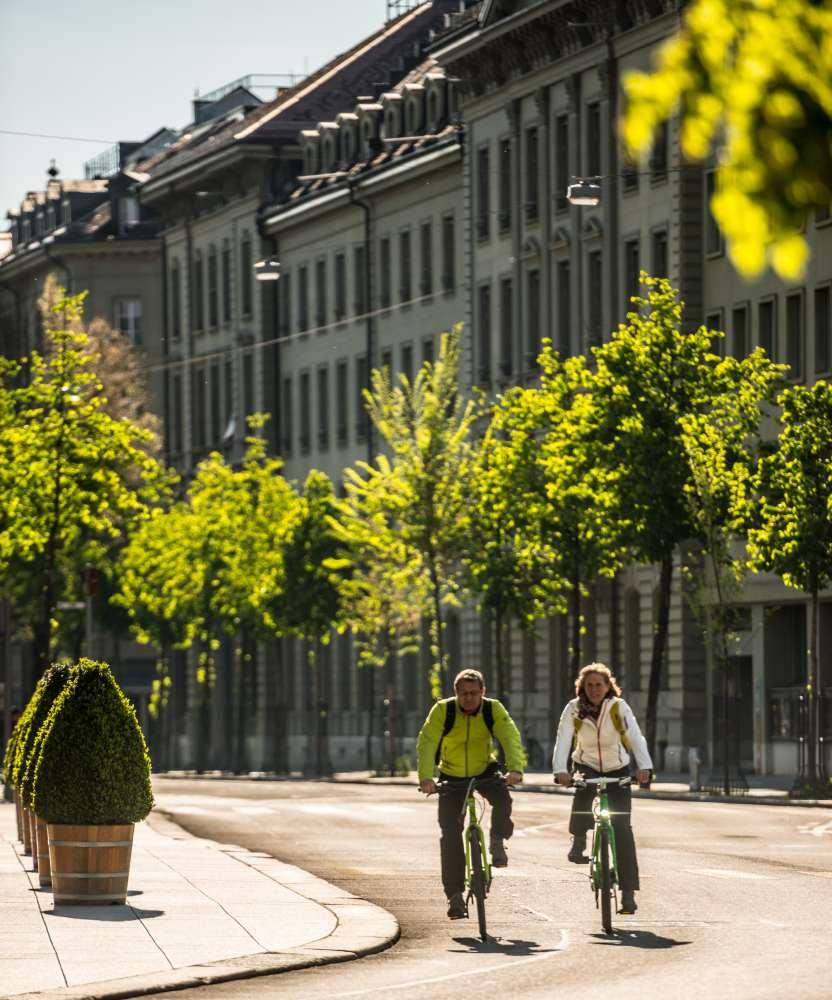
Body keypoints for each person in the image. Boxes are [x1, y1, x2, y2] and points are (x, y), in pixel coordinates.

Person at [417, 669, 526, 920]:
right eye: (463, 693)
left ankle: (497, 840)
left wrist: (515, 769)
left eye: (473, 693)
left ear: (482, 692)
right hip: (451, 774)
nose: (468, 698)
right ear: (456, 693)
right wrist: (426, 777)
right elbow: (427, 741)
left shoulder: (492, 709)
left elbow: (510, 737)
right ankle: (455, 896)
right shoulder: (443, 711)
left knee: (503, 799)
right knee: (450, 834)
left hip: (483, 769)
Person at [552, 662, 652, 915]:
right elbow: (563, 739)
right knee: (583, 791)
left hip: (617, 767)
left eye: (599, 685)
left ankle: (628, 893)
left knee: (623, 830)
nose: (594, 689)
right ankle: (578, 839)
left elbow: (635, 737)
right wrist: (560, 771)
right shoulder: (574, 709)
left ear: (608, 686)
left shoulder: (618, 707)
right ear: (582, 688)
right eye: (589, 685)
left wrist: (645, 768)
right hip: (587, 763)